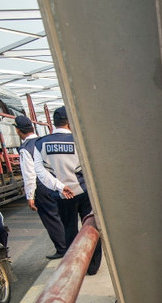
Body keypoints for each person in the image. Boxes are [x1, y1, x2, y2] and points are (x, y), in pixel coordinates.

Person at [34, 106, 102, 275]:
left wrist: (60, 186)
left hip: (62, 195)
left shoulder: (41, 143)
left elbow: (40, 171)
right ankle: (92, 267)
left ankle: (76, 267)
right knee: (92, 226)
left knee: (69, 229)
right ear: (70, 122)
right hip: (84, 190)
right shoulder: (80, 140)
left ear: (54, 123)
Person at [15, 115, 68, 259]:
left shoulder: (25, 148)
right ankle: (70, 243)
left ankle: (63, 249)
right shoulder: (44, 141)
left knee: (50, 218)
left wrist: (30, 196)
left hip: (42, 187)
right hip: (56, 183)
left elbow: (29, 174)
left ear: (18, 131)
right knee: (62, 216)